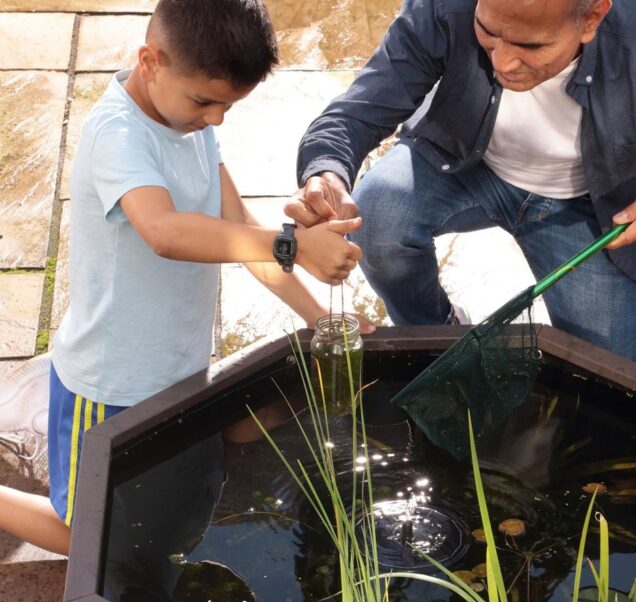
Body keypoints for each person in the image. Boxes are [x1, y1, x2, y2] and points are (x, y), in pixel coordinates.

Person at [0, 0, 364, 558]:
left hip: (177, 366)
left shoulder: (189, 122)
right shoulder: (118, 135)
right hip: (111, 381)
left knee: (166, 503)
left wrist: (320, 318)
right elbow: (165, 232)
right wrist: (293, 244)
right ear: (150, 61)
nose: (216, 118)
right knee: (92, 539)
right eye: (205, 100)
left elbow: (239, 230)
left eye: (228, 106)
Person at [288, 0, 636, 366]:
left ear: (592, 17)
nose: (504, 63)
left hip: (595, 207)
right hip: (461, 164)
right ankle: (437, 333)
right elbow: (356, 111)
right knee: (380, 212)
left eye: (531, 46)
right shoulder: (443, 5)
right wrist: (323, 174)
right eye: (488, 33)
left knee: (616, 376)